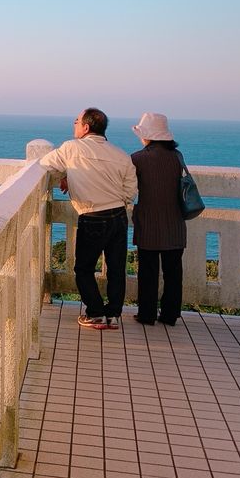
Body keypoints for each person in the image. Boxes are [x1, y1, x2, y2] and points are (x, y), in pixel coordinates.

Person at [40, 108, 137, 330]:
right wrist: (69, 175)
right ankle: (112, 315)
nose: (74, 125)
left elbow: (44, 165)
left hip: (92, 216)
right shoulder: (120, 154)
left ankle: (95, 313)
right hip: (118, 216)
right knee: (116, 268)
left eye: (76, 122)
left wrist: (64, 175)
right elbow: (130, 190)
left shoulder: (71, 148)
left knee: (83, 268)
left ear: (86, 127)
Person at [130, 112, 186, 326]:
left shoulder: (138, 158)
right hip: (175, 222)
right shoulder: (177, 156)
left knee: (148, 271)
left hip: (149, 222)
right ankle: (170, 314)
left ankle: (147, 314)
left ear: (147, 135)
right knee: (173, 272)